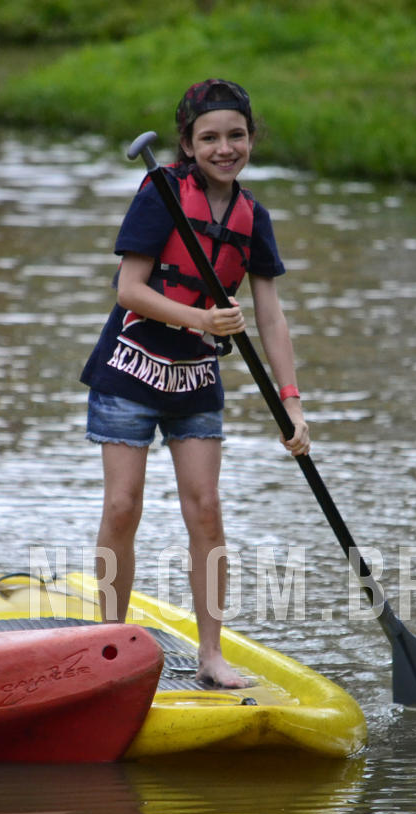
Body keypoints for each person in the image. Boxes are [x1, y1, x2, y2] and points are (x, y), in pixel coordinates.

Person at [81, 78, 310, 688]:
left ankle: (212, 655)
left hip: (195, 382)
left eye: (236, 135)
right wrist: (203, 320)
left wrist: (291, 403)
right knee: (122, 506)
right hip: (129, 370)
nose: (224, 147)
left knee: (206, 510)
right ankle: (108, 644)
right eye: (209, 137)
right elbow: (129, 290)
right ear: (186, 143)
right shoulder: (159, 193)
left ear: (251, 139)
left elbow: (271, 316)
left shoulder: (252, 216)